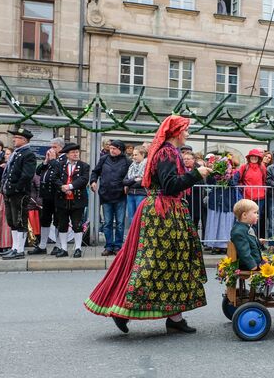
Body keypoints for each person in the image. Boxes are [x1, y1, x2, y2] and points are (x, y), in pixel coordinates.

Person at [84, 115, 212, 334]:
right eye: (186, 130)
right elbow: (170, 185)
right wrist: (195, 174)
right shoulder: (166, 153)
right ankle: (121, 308)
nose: (188, 134)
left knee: (173, 262)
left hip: (169, 210)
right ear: (177, 132)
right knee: (153, 262)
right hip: (162, 212)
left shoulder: (170, 152)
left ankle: (175, 317)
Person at [0, 128, 36, 260]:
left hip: (19, 193)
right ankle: (14, 247)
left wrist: (15, 188)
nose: (14, 139)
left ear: (24, 140)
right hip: (9, 192)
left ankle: (19, 250)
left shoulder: (28, 154)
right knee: (12, 221)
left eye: (17, 137)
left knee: (20, 221)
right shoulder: (17, 153)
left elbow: (27, 175)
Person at [90, 139, 129, 256]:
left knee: (120, 223)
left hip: (120, 195)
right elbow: (95, 172)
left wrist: (127, 185)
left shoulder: (127, 161)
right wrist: (93, 181)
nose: (111, 150)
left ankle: (118, 246)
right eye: (111, 148)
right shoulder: (104, 159)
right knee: (107, 223)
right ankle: (108, 246)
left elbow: (130, 176)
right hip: (106, 195)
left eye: (114, 149)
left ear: (120, 150)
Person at [52, 143, 89, 258]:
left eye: (77, 152)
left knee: (77, 224)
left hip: (77, 199)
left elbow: (83, 180)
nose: (76, 154)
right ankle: (63, 248)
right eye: (73, 152)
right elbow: (54, 178)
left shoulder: (84, 166)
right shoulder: (60, 165)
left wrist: (70, 187)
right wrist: (62, 187)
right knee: (62, 224)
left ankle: (78, 248)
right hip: (62, 199)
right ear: (67, 154)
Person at [31, 138, 65, 256]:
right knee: (45, 220)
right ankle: (42, 245)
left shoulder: (63, 160)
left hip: (58, 195)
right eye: (51, 147)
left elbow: (60, 172)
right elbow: (38, 172)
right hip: (47, 195)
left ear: (61, 148)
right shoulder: (50, 160)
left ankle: (58, 245)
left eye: (54, 147)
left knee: (58, 220)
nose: (51, 150)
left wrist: (53, 160)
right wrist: (45, 161)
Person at [203, 157, 240, 254]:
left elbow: (233, 183)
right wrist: (215, 172)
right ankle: (214, 245)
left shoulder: (235, 173)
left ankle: (225, 246)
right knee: (215, 222)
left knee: (226, 224)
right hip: (216, 200)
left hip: (228, 201)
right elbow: (209, 181)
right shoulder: (214, 173)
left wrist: (227, 176)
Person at [233, 148, 267, 242]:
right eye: (252, 156)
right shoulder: (244, 167)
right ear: (249, 157)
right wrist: (241, 187)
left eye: (256, 156)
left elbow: (264, 180)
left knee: (256, 221)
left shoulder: (262, 168)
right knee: (246, 220)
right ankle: (246, 240)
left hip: (260, 197)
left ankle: (255, 241)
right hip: (247, 197)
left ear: (259, 158)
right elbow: (237, 179)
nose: (254, 158)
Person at [230, 198, 262, 271]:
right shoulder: (239, 231)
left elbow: (249, 243)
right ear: (244, 215)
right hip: (247, 265)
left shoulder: (245, 228)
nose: (257, 215)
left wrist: (258, 241)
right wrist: (252, 266)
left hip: (256, 262)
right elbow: (244, 252)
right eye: (255, 213)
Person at [123, 145, 148, 234]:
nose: (133, 157)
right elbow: (124, 181)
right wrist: (134, 179)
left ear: (143, 155)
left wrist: (131, 183)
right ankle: (133, 238)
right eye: (133, 155)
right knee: (131, 218)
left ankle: (140, 238)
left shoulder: (147, 166)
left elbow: (142, 182)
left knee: (140, 218)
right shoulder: (131, 166)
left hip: (141, 194)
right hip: (130, 194)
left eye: (136, 155)